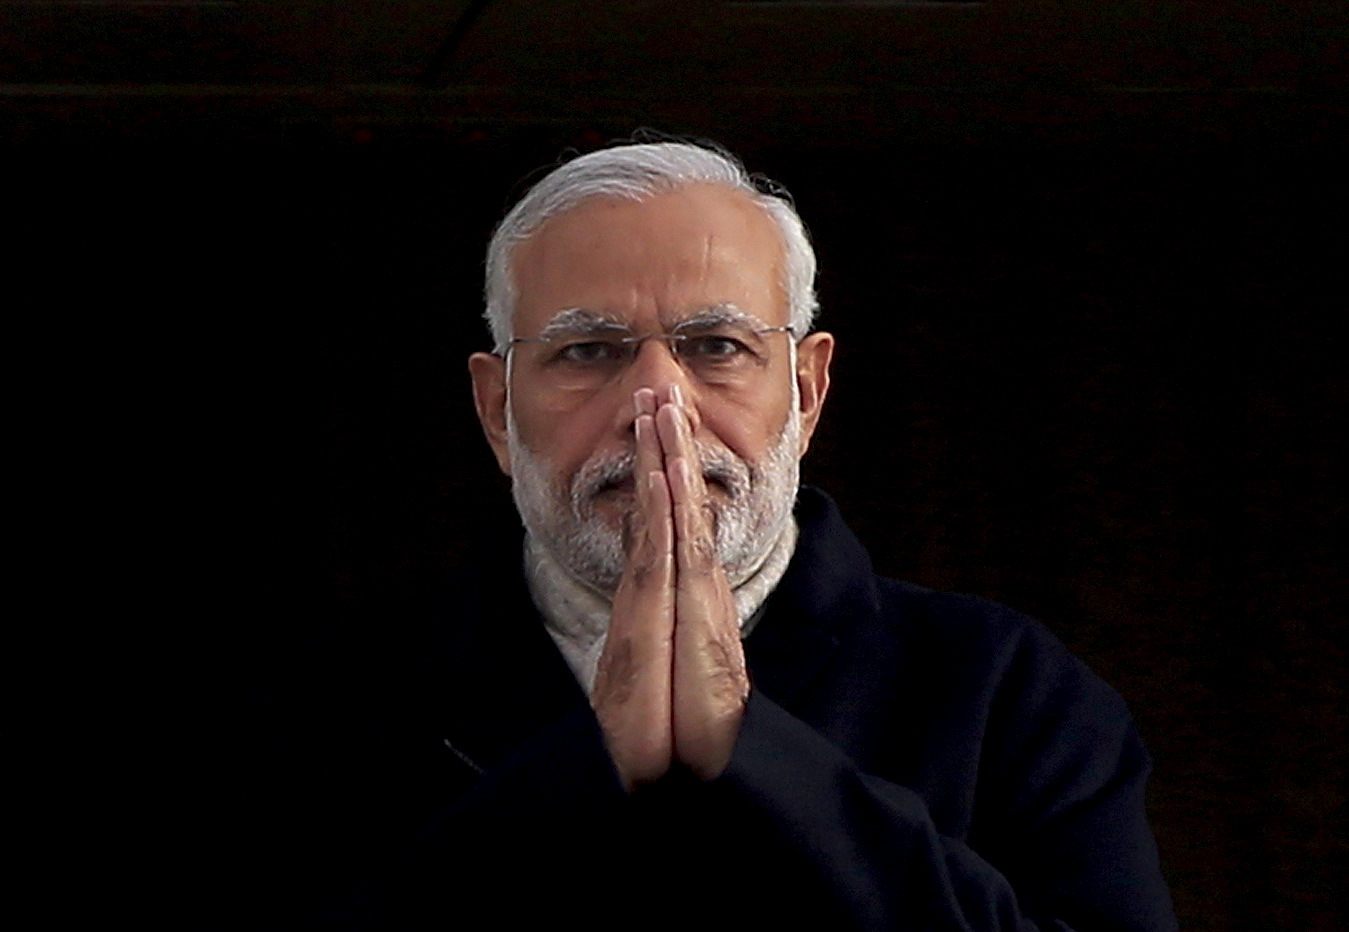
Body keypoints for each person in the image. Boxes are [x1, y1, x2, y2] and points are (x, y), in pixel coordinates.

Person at [245, 139, 1177, 930]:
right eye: (588, 351)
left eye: (716, 347)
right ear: (497, 410)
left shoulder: (1004, 686)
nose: (659, 403)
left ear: (806, 394)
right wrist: (579, 770)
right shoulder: (334, 695)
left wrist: (754, 746)